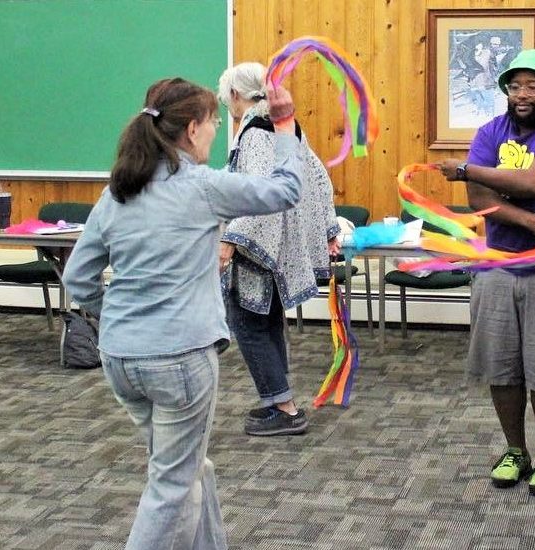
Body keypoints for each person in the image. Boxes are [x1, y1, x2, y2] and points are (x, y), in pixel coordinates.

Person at [62, 78, 303, 549]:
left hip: (121, 360)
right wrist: (285, 124)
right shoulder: (201, 186)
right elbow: (287, 190)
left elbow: (78, 279)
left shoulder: (117, 193)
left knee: (190, 469)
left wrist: (115, 317)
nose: (216, 131)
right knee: (172, 486)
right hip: (178, 363)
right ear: (192, 130)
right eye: (214, 123)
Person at [436, 49, 535, 496]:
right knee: (501, 365)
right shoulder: (490, 132)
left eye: (534, 86)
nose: (523, 94)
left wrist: (468, 169)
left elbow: (533, 183)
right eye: (515, 85)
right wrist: (532, 223)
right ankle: (514, 450)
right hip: (500, 264)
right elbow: (477, 200)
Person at [217, 62, 339, 437]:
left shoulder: (254, 131)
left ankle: (284, 409)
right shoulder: (286, 125)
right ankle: (279, 402)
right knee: (266, 323)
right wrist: (328, 228)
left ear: (236, 96)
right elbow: (318, 177)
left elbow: (257, 193)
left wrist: (230, 241)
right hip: (280, 241)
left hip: (259, 245)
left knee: (247, 323)